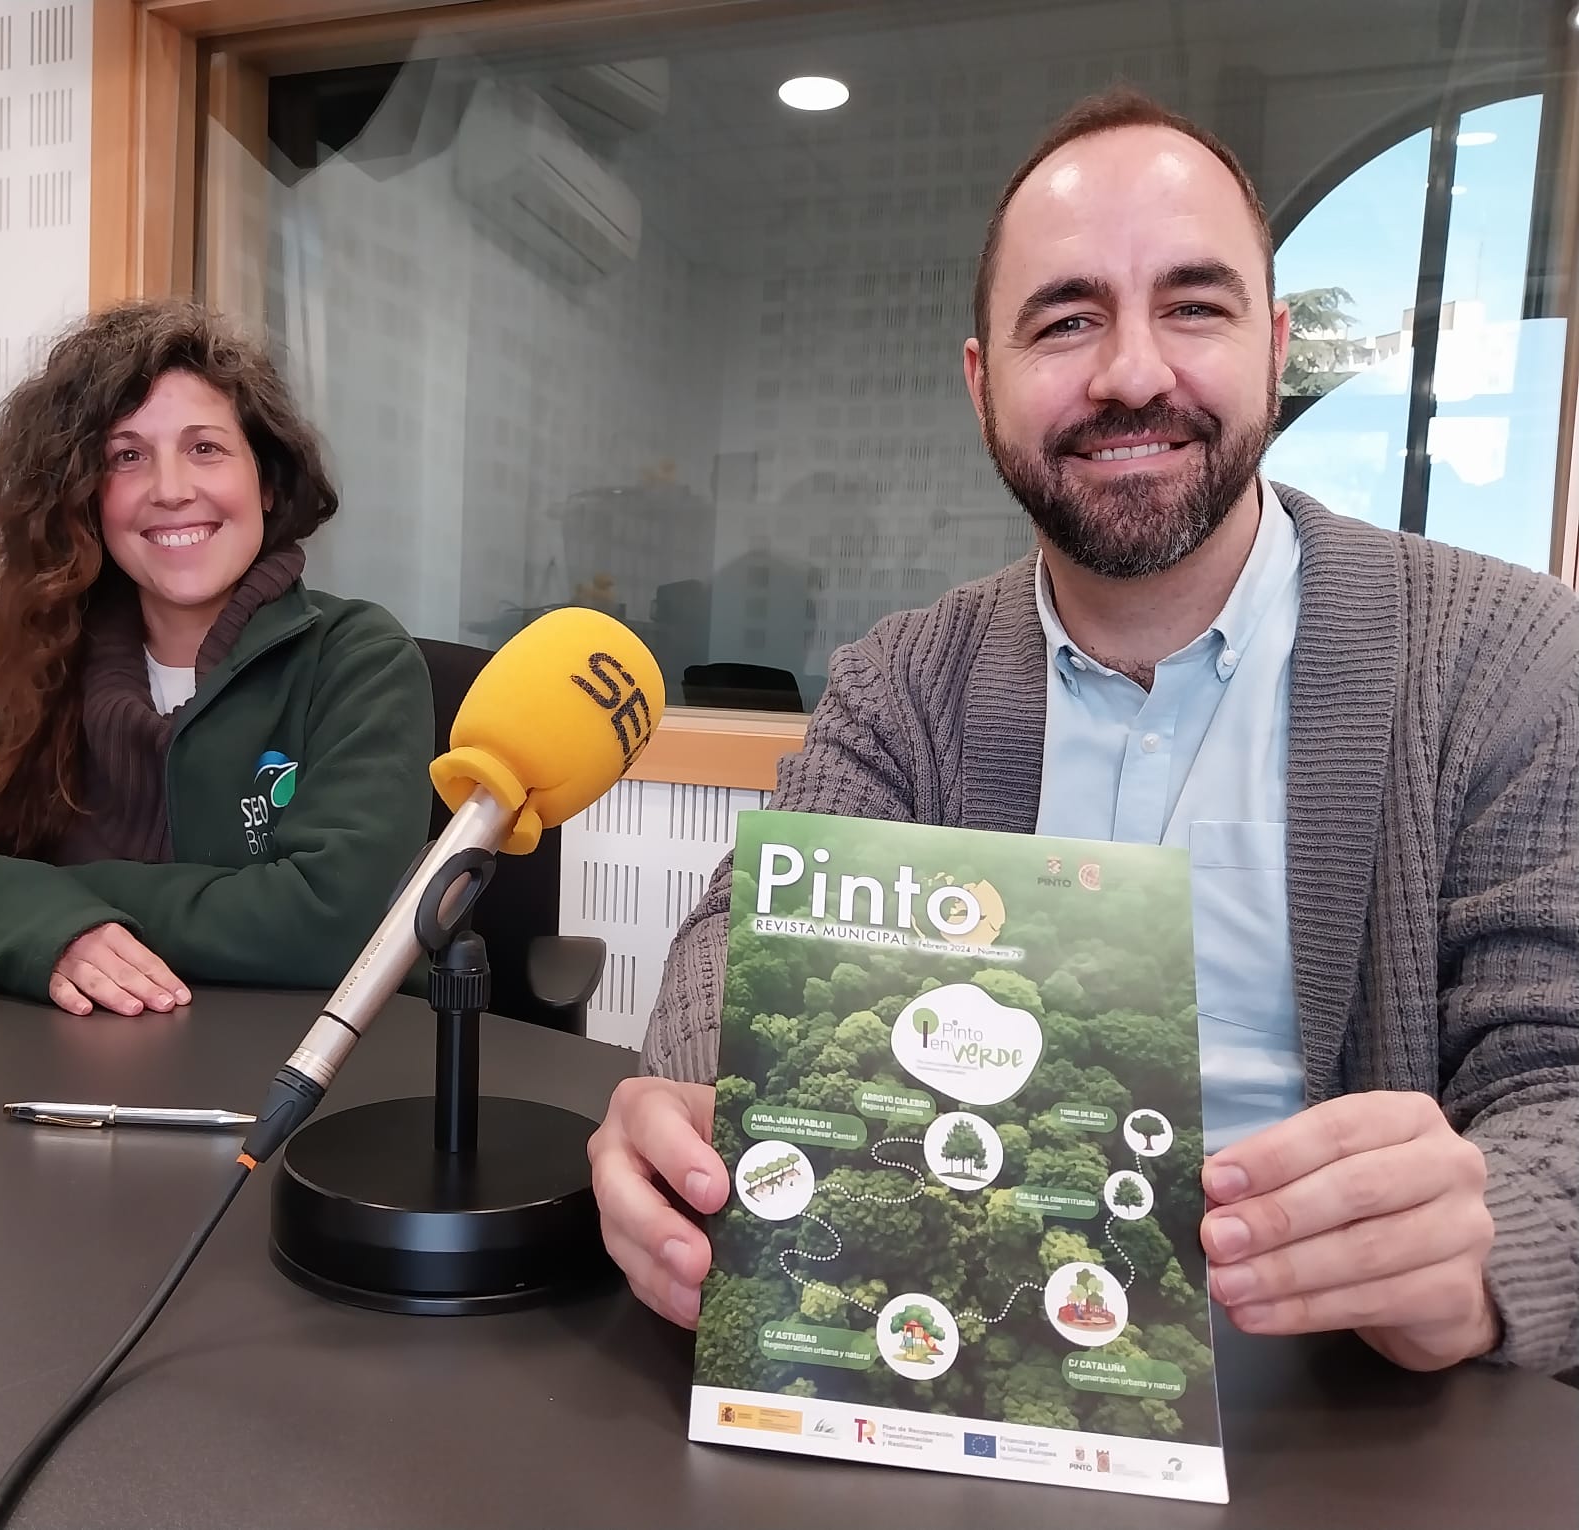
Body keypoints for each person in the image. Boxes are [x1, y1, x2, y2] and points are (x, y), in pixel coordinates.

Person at [588, 87, 1578, 1376]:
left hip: (1355, 1415)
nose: (1130, 373)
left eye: (1194, 305)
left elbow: (1559, 1077)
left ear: (1277, 348)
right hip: (967, 1357)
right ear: (981, 382)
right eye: (1066, 320)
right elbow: (746, 940)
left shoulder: (1503, 655)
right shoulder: (903, 680)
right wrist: (691, 1112)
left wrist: (1489, 1248)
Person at [0, 299, 434, 1016]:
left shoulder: (358, 659)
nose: (171, 489)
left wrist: (56, 890)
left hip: (302, 1082)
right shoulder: (36, 668)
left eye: (205, 448)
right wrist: (39, 923)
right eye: (127, 456)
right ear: (85, 497)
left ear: (266, 482)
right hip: (62, 1077)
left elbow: (335, 918)